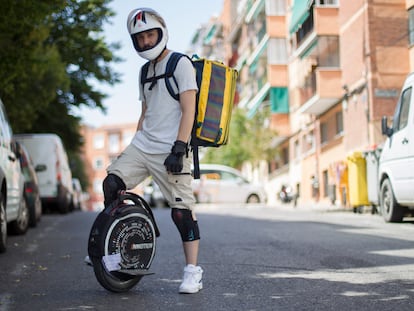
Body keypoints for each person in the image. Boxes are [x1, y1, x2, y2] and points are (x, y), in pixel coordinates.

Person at [102, 8, 202, 294]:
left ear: (161, 31)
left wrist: (180, 147)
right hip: (143, 146)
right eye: (140, 38)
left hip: (171, 149)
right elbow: (144, 112)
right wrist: (133, 147)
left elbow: (189, 109)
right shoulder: (144, 71)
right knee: (111, 184)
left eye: (150, 35)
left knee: (181, 213)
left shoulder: (180, 63)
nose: (146, 41)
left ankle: (192, 272)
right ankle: (113, 250)